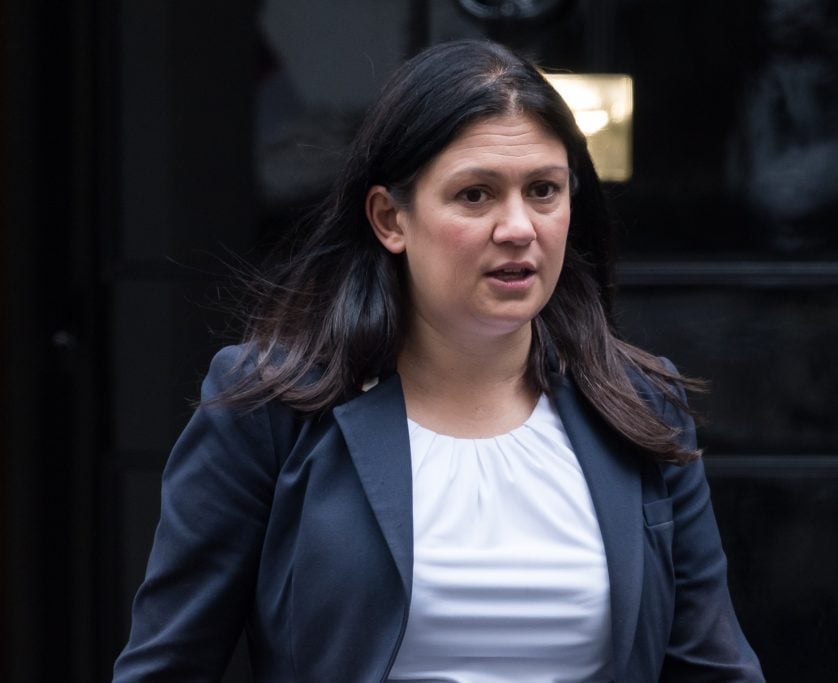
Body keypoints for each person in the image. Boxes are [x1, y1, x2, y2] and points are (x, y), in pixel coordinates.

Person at [113, 39, 764, 682]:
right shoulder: (271, 406)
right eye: (475, 195)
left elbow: (714, 666)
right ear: (389, 218)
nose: (518, 227)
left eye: (543, 190)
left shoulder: (641, 405)